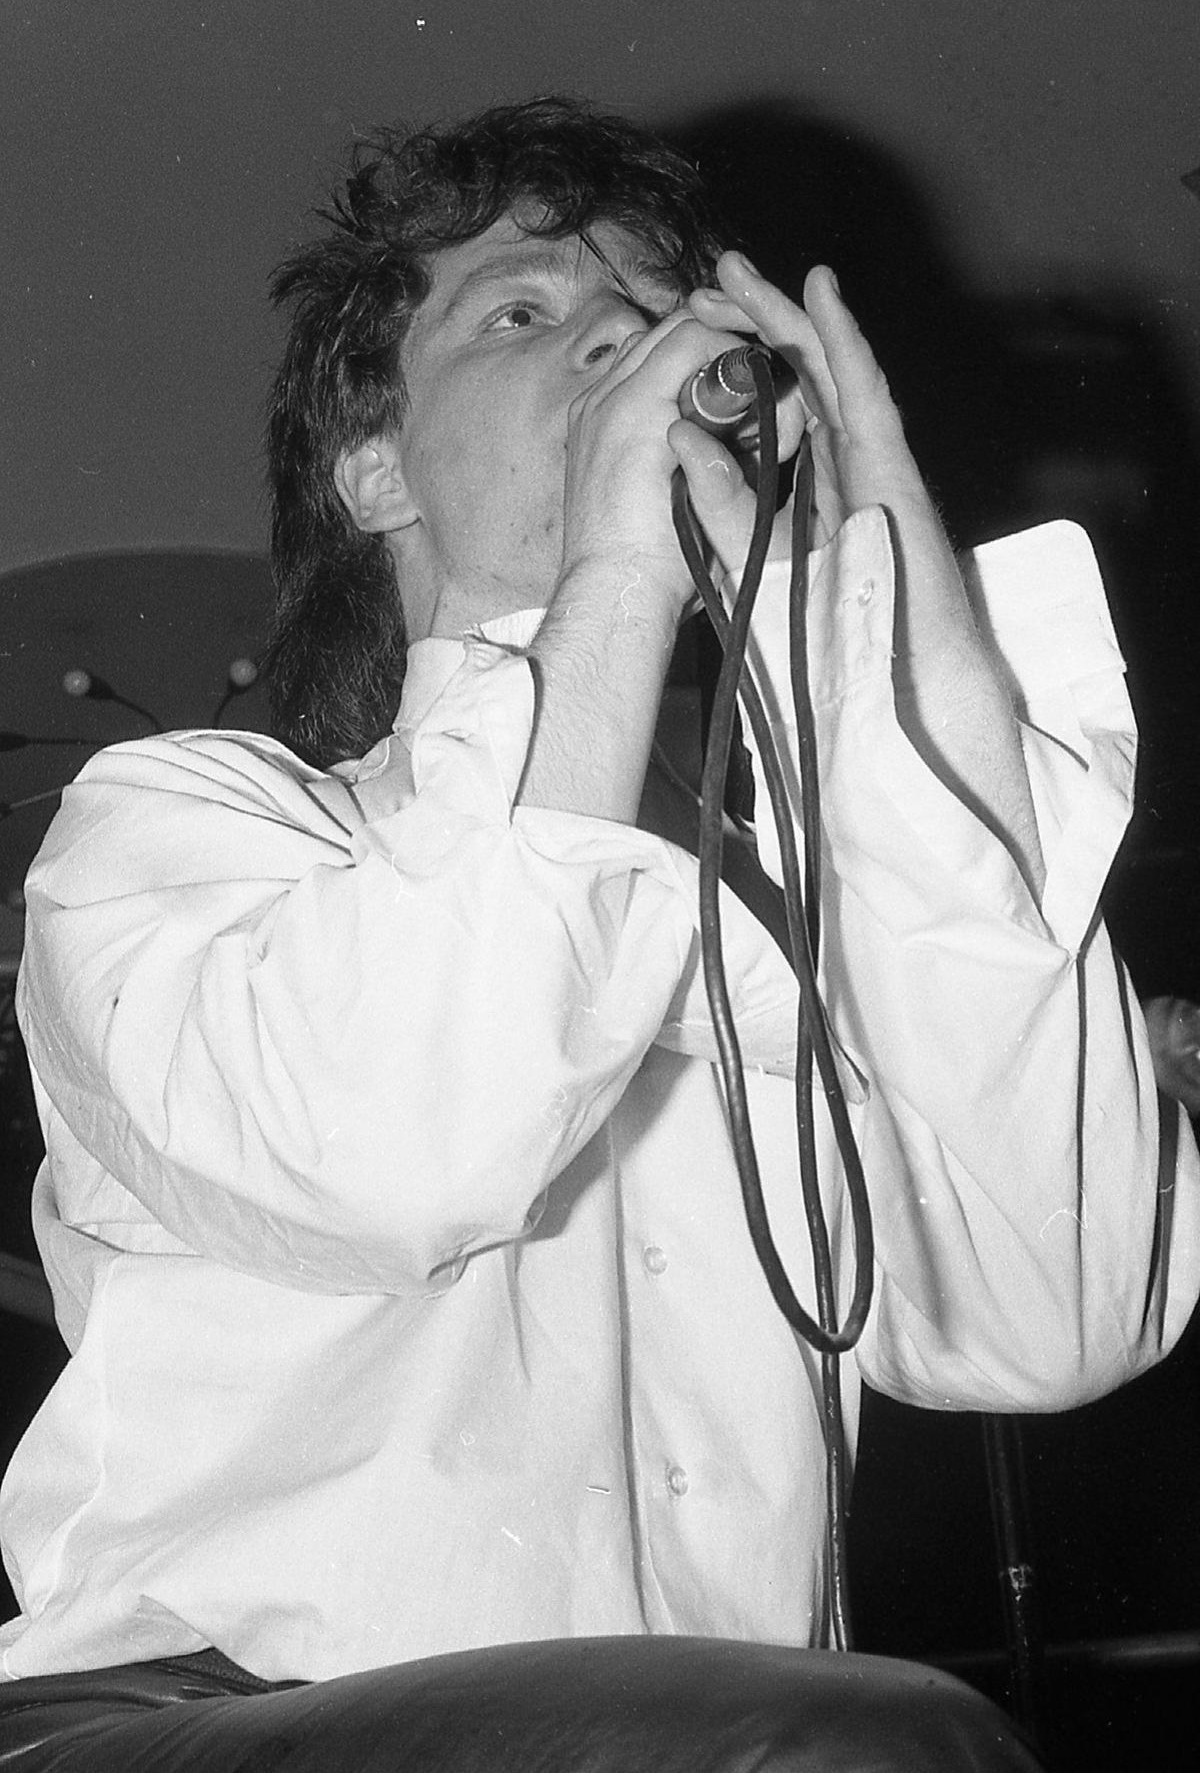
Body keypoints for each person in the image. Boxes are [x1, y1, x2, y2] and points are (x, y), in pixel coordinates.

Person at [0, 94, 1196, 1770]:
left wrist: (878, 563)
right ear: (370, 471)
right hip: (198, 1717)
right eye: (523, 312)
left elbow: (1060, 1308)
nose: (622, 344)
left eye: (647, 316)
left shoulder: (765, 918)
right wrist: (613, 576)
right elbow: (397, 1140)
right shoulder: (187, 824)